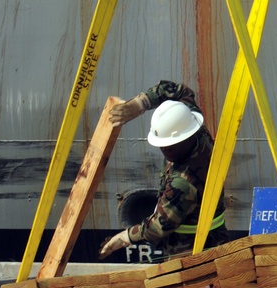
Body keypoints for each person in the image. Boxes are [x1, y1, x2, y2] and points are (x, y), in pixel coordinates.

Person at [98, 80, 229, 260]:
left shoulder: (184, 181)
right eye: (163, 145)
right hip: (213, 238)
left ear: (185, 138)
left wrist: (124, 238)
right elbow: (177, 91)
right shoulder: (195, 128)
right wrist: (140, 104)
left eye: (171, 146)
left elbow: (159, 226)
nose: (166, 150)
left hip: (192, 250)